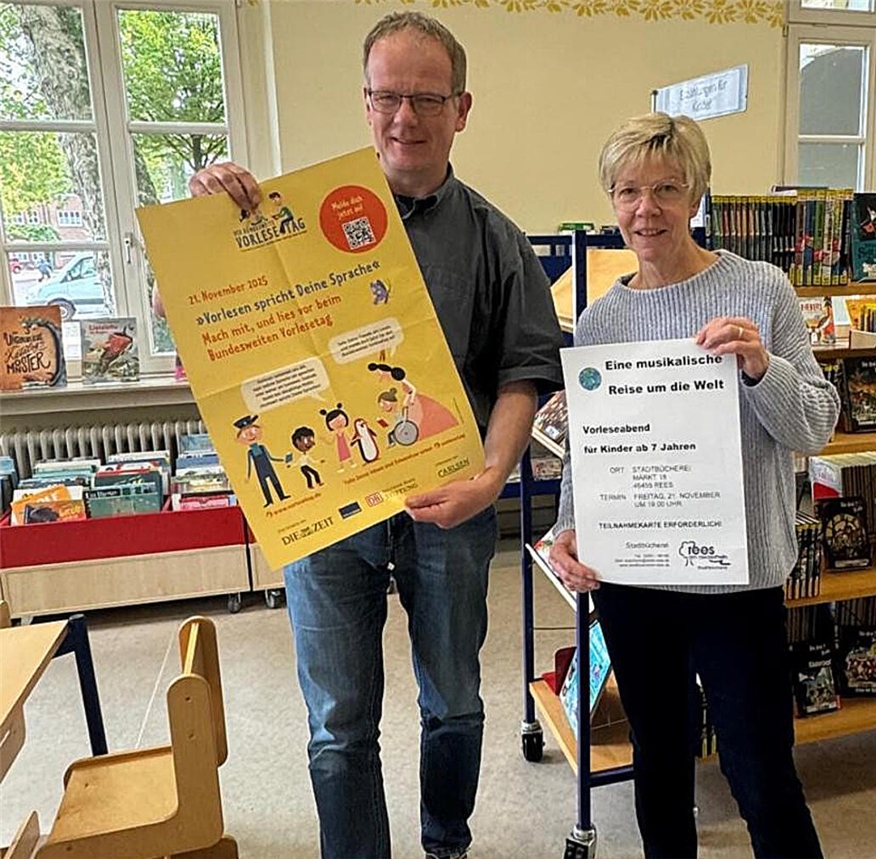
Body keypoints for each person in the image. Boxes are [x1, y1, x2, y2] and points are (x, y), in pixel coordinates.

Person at [186, 11, 563, 859]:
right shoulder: (283, 224)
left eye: (426, 97)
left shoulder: (498, 240)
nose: (406, 117)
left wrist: (491, 475)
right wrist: (210, 222)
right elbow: (214, 315)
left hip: (452, 503)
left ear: (461, 108)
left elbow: (524, 374)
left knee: (456, 699)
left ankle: (446, 843)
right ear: (365, 103)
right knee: (338, 719)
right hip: (328, 515)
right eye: (388, 95)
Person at [548, 113, 840, 859]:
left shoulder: (759, 289)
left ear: (698, 194)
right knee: (659, 765)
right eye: (629, 191)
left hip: (735, 580)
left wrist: (760, 367)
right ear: (611, 201)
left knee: (761, 771)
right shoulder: (602, 319)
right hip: (635, 576)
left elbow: (815, 426)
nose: (646, 210)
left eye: (667, 189)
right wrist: (568, 528)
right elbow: (591, 447)